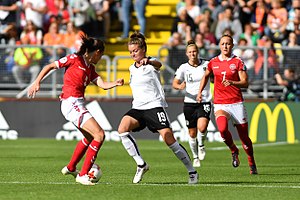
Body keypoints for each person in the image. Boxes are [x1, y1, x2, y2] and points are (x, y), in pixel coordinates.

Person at [27, 35, 124, 185]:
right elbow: (49, 66)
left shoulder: (90, 68)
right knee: (99, 135)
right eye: (101, 55)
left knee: (90, 138)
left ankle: (72, 168)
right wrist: (36, 82)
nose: (100, 58)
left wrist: (115, 83)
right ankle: (83, 175)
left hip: (77, 104)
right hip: (70, 102)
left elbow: (102, 84)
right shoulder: (74, 59)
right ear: (97, 52)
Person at [118, 31, 198, 184]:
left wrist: (148, 61)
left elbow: (159, 64)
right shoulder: (131, 68)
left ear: (143, 50)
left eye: (135, 51)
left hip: (154, 106)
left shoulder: (151, 62)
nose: (133, 54)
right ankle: (141, 164)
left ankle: (192, 171)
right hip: (138, 108)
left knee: (169, 140)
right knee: (122, 129)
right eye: (130, 52)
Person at [196, 34, 258, 175]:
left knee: (245, 139)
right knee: (223, 130)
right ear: (219, 45)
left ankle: (251, 162)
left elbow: (245, 83)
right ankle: (233, 150)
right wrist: (199, 92)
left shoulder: (237, 62)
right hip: (220, 103)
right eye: (223, 43)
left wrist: (232, 82)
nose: (225, 46)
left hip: (236, 103)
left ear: (232, 46)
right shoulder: (213, 62)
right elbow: (205, 76)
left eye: (228, 44)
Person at [172, 40, 212, 168]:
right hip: (189, 102)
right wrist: (180, 86)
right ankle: (195, 157)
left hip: (204, 100)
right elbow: (175, 82)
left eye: (194, 51)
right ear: (186, 54)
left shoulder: (206, 64)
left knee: (202, 127)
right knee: (192, 133)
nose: (192, 54)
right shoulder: (184, 67)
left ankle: (201, 145)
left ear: (198, 52)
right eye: (190, 52)